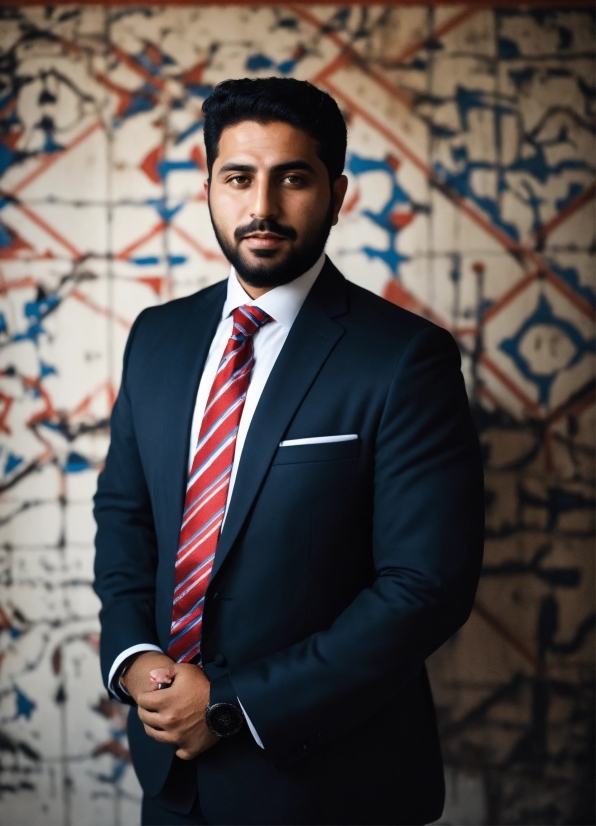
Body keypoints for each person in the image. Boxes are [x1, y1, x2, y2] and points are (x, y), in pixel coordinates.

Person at [93, 76, 484, 826]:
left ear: (337, 195)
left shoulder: (406, 358)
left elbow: (424, 586)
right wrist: (135, 658)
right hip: (172, 784)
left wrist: (234, 706)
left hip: (329, 787)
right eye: (238, 178)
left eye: (293, 179)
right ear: (207, 186)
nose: (261, 207)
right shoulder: (158, 338)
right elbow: (124, 516)